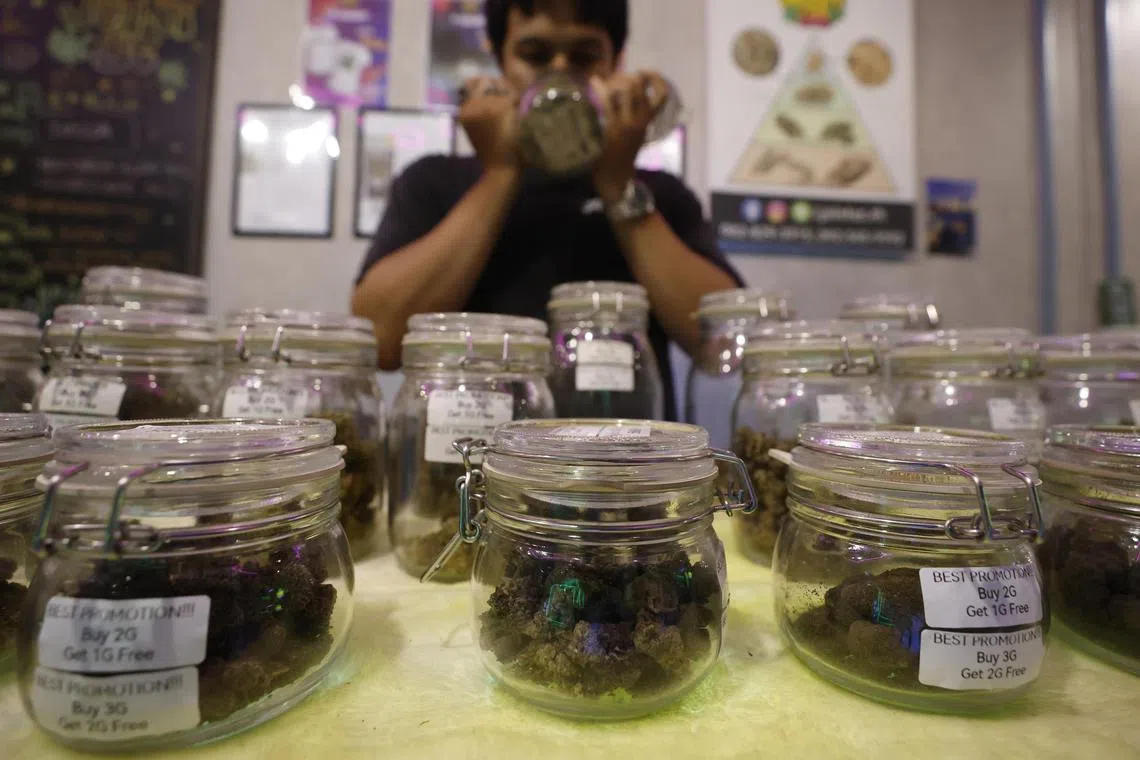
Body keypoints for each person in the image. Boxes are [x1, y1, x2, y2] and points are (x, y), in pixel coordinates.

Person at [352, 0, 742, 420]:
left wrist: (616, 185)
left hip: (623, 471)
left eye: (584, 56)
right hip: (476, 466)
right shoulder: (433, 182)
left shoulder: (659, 196)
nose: (560, 71)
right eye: (535, 55)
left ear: (616, 65)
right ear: (499, 59)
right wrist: (502, 171)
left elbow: (726, 343)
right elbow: (382, 342)